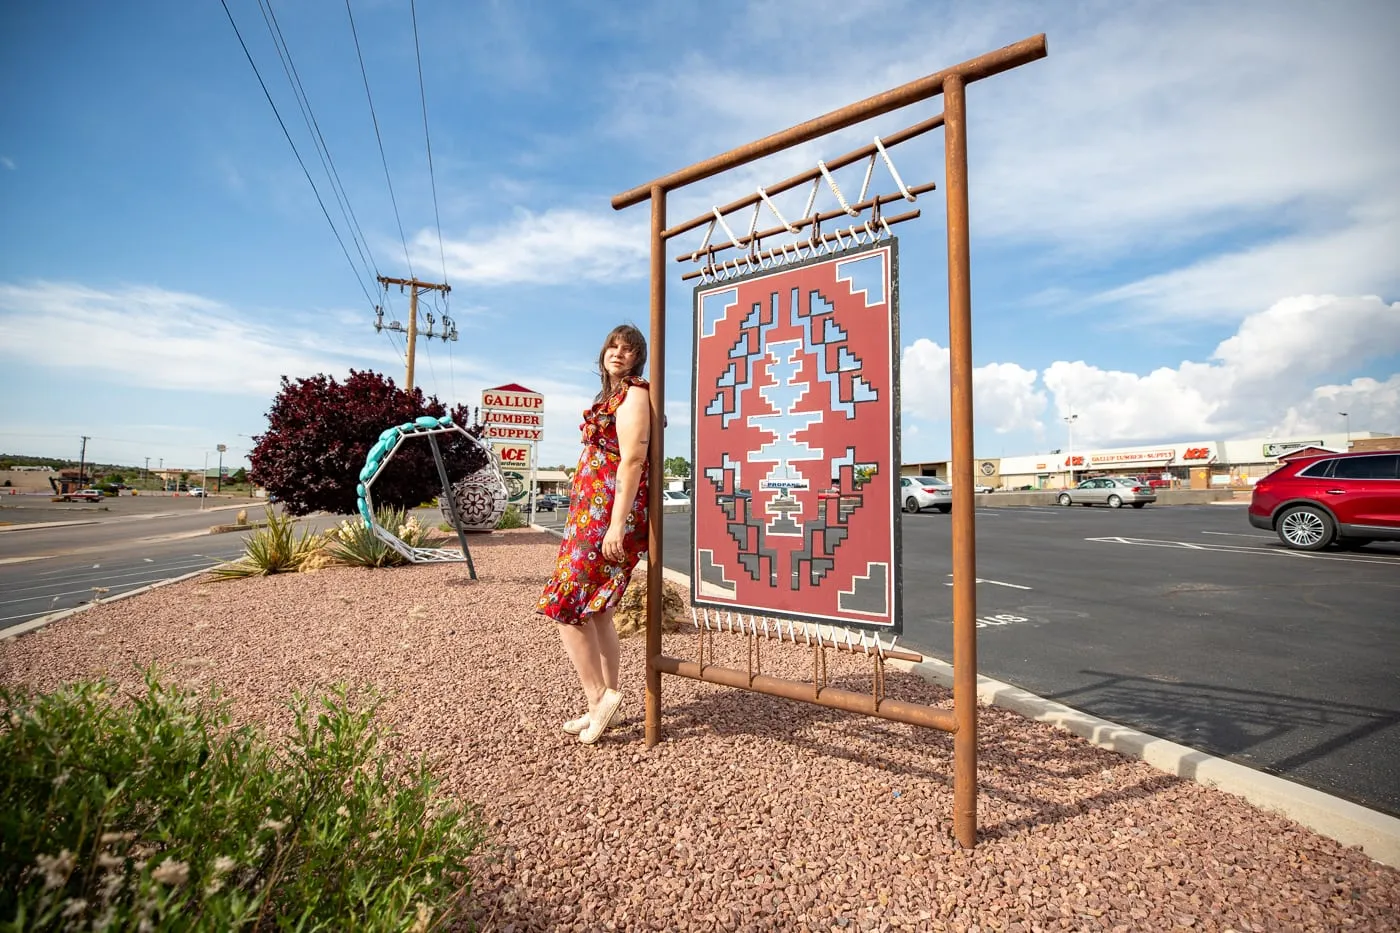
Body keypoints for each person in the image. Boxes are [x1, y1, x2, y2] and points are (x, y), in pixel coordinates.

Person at [537, 324, 651, 744]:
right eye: (612, 346)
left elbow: (634, 460)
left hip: (606, 516)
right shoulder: (608, 397)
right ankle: (601, 710)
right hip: (588, 514)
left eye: (628, 349)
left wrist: (617, 524)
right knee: (597, 609)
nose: (618, 354)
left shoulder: (635, 394)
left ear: (638, 357)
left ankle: (600, 697)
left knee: (563, 603)